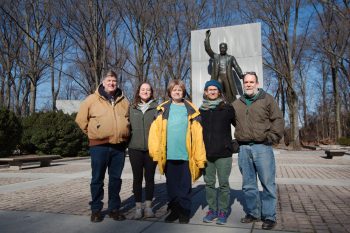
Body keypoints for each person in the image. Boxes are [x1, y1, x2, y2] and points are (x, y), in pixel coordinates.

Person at [148, 79, 206, 224]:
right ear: (170, 92)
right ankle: (174, 210)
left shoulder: (192, 110)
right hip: (168, 155)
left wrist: (200, 157)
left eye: (179, 89)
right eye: (174, 90)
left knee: (185, 187)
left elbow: (198, 136)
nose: (177, 92)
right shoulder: (162, 109)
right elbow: (154, 133)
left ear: (183, 92)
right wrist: (155, 152)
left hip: (186, 156)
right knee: (172, 186)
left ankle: (184, 212)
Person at [75, 70, 130, 222]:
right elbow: (80, 120)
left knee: (115, 179)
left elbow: (128, 121)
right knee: (97, 179)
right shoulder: (91, 99)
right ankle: (96, 210)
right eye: (109, 80)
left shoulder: (124, 101)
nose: (111, 83)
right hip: (99, 147)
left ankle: (114, 209)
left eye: (114, 81)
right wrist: (93, 133)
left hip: (118, 147)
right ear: (103, 82)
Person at [232, 72, 284, 230]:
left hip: (263, 147)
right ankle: (253, 213)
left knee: (267, 183)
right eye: (246, 82)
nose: (248, 84)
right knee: (248, 185)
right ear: (243, 84)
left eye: (251, 82)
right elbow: (236, 123)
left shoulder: (267, 99)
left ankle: (269, 216)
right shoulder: (237, 103)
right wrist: (238, 139)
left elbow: (278, 119)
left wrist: (272, 137)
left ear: (257, 83)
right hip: (244, 149)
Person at [199, 80, 235, 225]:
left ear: (219, 92)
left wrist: (235, 142)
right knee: (209, 184)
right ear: (206, 92)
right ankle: (212, 210)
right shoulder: (201, 110)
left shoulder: (227, 108)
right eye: (210, 89)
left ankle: (223, 211)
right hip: (206, 154)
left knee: (224, 184)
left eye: (215, 89)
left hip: (224, 153)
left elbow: (240, 125)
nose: (212, 92)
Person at [128, 82, 158, 219]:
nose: (145, 91)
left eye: (148, 90)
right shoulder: (131, 108)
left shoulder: (157, 108)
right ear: (138, 92)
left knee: (150, 178)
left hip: (152, 149)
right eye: (142, 89)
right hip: (135, 148)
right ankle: (138, 208)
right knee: (137, 179)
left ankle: (148, 207)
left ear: (151, 92)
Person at [204, 29, 244, 103]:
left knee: (230, 94)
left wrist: (241, 75)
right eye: (221, 48)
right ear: (219, 49)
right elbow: (208, 49)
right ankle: (217, 105)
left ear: (226, 48)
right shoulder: (216, 57)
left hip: (227, 77)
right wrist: (207, 38)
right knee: (217, 92)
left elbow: (236, 66)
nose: (222, 49)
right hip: (218, 77)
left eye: (223, 47)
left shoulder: (230, 57)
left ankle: (231, 107)